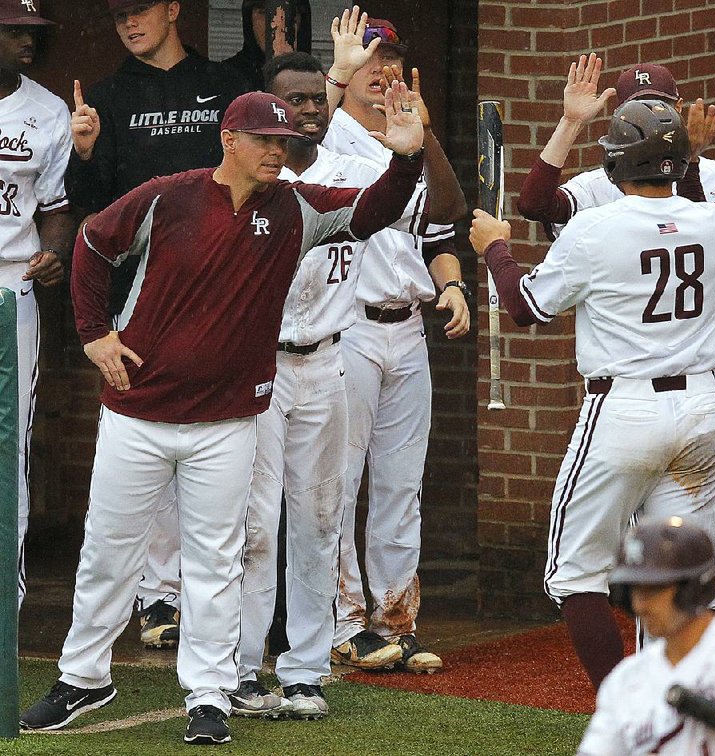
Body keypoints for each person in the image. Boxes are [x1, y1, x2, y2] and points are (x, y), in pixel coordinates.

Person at [19, 84, 426, 745]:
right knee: (108, 554)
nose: (278, 152)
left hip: (230, 419)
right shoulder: (168, 195)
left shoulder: (296, 207)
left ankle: (208, 694)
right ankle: (84, 678)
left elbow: (370, 213)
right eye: (265, 140)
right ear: (228, 140)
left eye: (285, 143)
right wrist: (94, 331)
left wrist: (405, 162)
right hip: (138, 411)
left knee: (215, 559)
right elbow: (92, 243)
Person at [469, 99, 715, 691]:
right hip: (702, 413)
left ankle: (626, 706)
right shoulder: (713, 220)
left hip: (622, 412)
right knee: (679, 572)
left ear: (617, 164)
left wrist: (496, 247)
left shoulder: (596, 228)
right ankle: (676, 712)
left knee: (575, 575)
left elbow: (524, 307)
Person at [231, 49, 431, 720]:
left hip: (331, 361)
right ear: (271, 110)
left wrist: (409, 152)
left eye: (320, 97)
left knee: (318, 523)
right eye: (295, 100)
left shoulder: (352, 170)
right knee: (256, 526)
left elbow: (413, 210)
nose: (310, 108)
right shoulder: (251, 180)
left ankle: (305, 671)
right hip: (261, 366)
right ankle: (240, 669)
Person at [67, 0, 249, 650]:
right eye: (116, 15)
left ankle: (208, 601)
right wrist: (85, 151)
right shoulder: (110, 98)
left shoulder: (226, 87)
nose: (127, 22)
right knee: (148, 446)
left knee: (212, 446)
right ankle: (158, 599)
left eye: (139, 9)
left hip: (223, 293)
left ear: (174, 8)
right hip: (139, 300)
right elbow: (90, 212)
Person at [321, 17, 469, 673]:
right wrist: (335, 75)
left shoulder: (405, 140)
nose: (383, 70)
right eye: (371, 58)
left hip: (406, 330)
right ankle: (344, 624)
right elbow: (299, 146)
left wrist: (454, 284)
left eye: (393, 59)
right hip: (345, 328)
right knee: (339, 483)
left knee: (400, 487)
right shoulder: (326, 139)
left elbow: (446, 218)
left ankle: (395, 621)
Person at [517, 55, 715, 421]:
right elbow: (534, 204)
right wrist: (571, 122)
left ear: (679, 108)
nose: (650, 115)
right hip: (629, 381)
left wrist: (689, 161)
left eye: (659, 104)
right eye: (638, 107)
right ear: (620, 118)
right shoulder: (598, 184)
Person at [577, 517, 715, 756]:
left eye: (653, 589)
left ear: (692, 588)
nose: (640, 604)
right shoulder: (624, 681)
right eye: (633, 590)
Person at [0, 0, 73, 606]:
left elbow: (54, 207)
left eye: (32, 32)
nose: (28, 42)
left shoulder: (46, 110)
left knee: (9, 437)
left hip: (11, 281)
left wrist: (53, 253)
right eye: (14, 31)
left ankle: (6, 592)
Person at [222, 0, 312, 91]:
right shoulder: (224, 80)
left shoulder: (316, 82)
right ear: (249, 19)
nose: (275, 22)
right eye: (263, 12)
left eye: (289, 12)